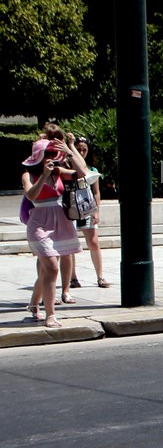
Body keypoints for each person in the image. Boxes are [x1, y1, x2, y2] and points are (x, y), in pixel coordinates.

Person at [21, 139, 83, 327]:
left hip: (60, 223)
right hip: (39, 224)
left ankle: (33, 304)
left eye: (52, 154)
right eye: (47, 154)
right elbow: (31, 195)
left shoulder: (59, 172)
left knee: (46, 270)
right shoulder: (27, 175)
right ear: (39, 156)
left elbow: (84, 173)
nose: (51, 158)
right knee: (52, 268)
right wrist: (44, 175)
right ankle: (50, 315)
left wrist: (70, 151)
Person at [69, 137, 109, 288]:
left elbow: (96, 192)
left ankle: (100, 276)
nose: (81, 152)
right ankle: (73, 277)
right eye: (78, 149)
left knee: (93, 242)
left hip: (87, 208)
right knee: (71, 244)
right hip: (72, 208)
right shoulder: (68, 168)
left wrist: (96, 211)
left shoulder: (91, 171)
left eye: (84, 149)